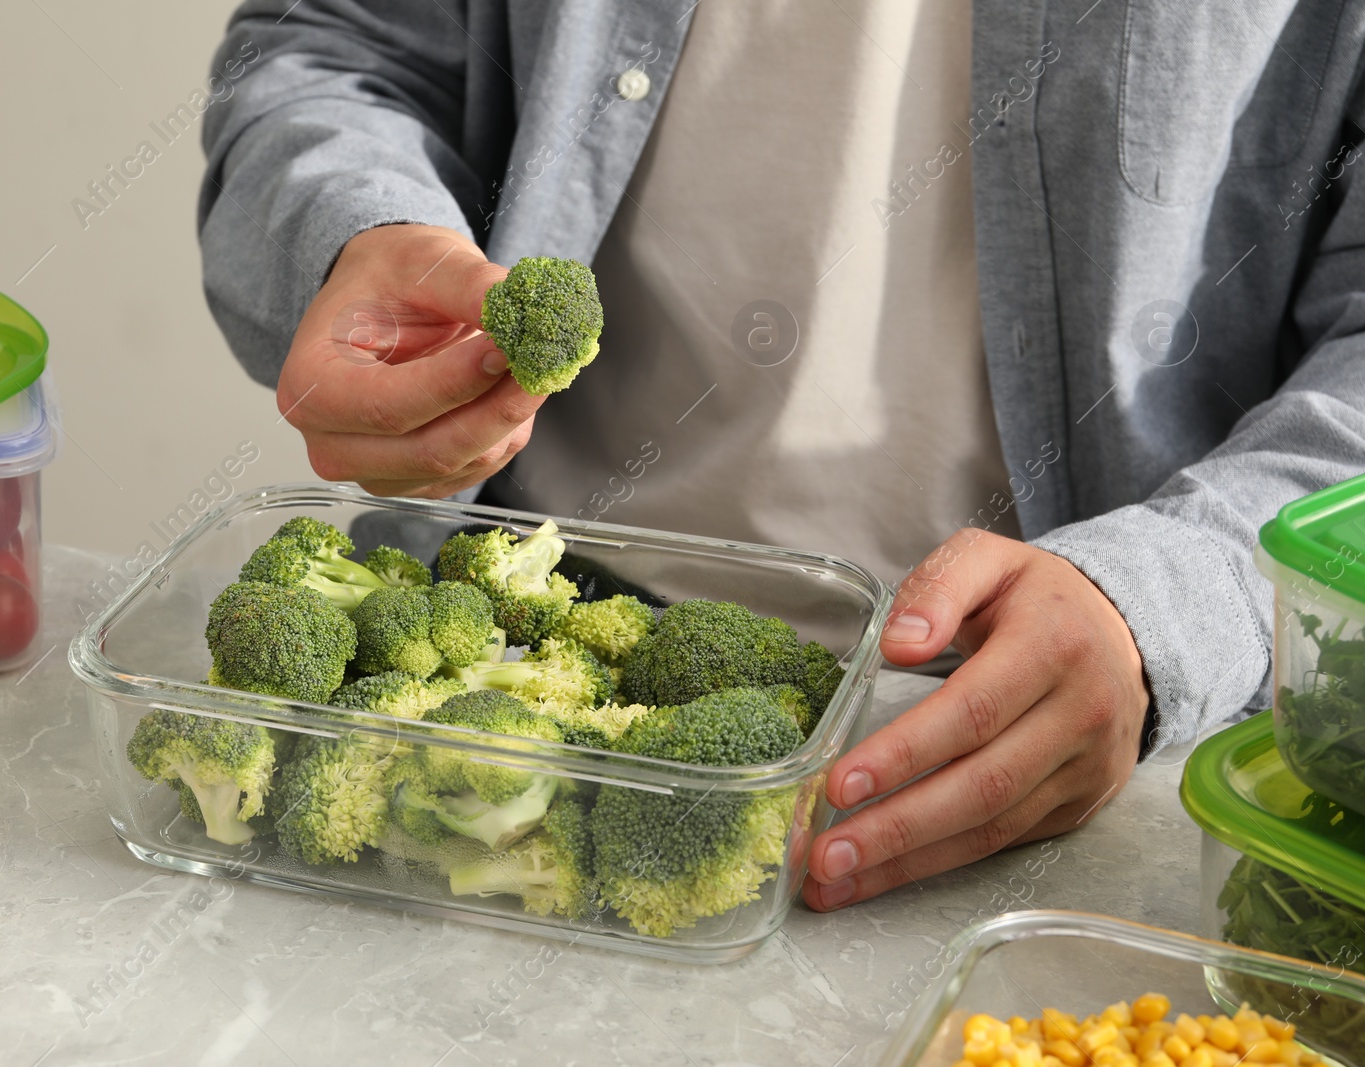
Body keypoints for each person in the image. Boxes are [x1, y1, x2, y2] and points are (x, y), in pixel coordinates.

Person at [196, 0, 1365, 911]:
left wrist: (1166, 596)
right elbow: (336, 47)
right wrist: (348, 228)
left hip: (1086, 751)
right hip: (512, 641)